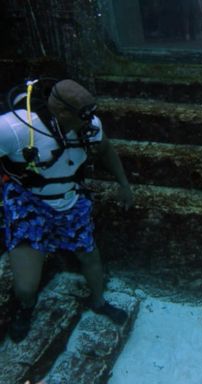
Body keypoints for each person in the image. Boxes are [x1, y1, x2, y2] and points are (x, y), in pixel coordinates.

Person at [0, 79, 134, 343]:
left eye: (91, 112)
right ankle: (26, 308)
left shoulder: (89, 125)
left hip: (69, 200)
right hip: (29, 203)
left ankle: (99, 301)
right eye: (82, 114)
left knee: (89, 255)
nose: (91, 120)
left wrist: (124, 184)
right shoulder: (13, 129)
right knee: (26, 286)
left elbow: (105, 149)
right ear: (61, 112)